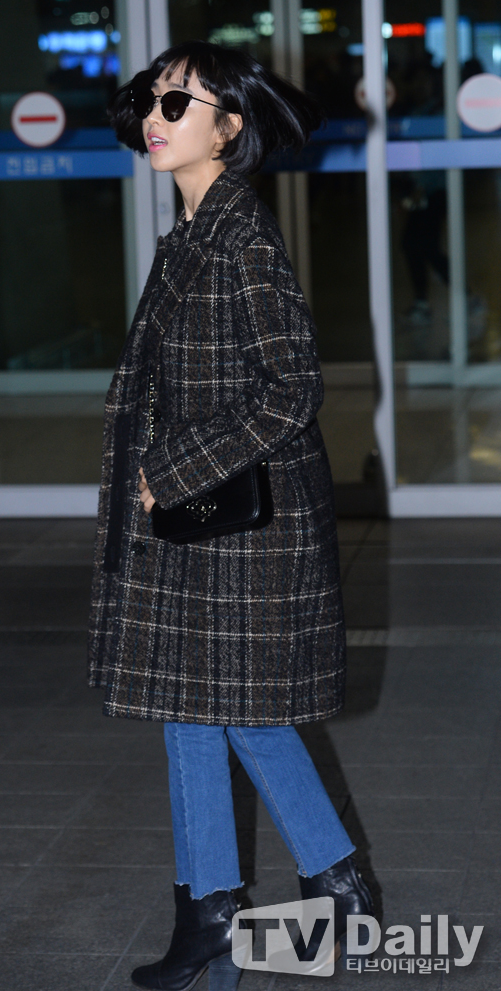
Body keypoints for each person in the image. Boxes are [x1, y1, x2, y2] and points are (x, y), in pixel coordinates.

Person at [88, 39, 373, 991]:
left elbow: (292, 386)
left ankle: (330, 887)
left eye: (181, 103)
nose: (156, 117)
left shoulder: (240, 236)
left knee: (237, 714)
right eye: (152, 99)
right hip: (206, 526)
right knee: (194, 712)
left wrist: (171, 467)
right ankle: (220, 910)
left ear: (229, 129)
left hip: (242, 526)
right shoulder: (193, 232)